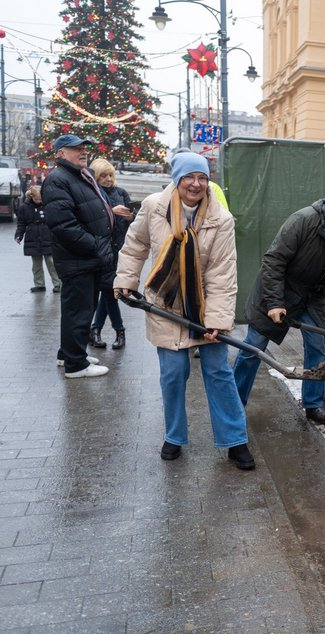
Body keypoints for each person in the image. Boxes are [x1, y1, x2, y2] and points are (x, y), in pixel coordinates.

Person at [114, 152, 255, 470]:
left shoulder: (221, 219)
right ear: (177, 179)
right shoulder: (154, 207)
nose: (196, 183)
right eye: (189, 177)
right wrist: (125, 279)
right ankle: (174, 436)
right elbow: (135, 244)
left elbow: (222, 273)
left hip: (205, 309)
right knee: (174, 374)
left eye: (202, 177)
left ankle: (235, 440)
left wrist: (217, 321)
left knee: (219, 373)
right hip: (164, 305)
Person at [232, 177, 325, 424]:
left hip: (313, 296)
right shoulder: (305, 220)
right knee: (254, 346)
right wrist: (274, 302)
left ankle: (313, 404)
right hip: (278, 289)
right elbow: (274, 261)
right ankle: (234, 403)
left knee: (316, 349)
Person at [42, 134, 115, 379]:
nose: (83, 151)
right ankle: (76, 365)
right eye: (76, 148)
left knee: (78, 310)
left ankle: (70, 354)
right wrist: (95, 245)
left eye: (84, 147)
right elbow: (63, 225)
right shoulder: (58, 179)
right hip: (79, 259)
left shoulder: (77, 175)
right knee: (79, 312)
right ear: (61, 153)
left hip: (85, 259)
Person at [88, 158, 133, 350]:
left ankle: (95, 330)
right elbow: (92, 220)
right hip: (102, 252)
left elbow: (134, 220)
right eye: (103, 176)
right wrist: (111, 212)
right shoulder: (93, 194)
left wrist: (131, 217)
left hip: (120, 251)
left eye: (110, 175)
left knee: (109, 292)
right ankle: (119, 331)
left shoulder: (120, 192)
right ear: (96, 177)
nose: (108, 179)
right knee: (110, 292)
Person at [15, 186, 62, 293]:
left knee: (51, 262)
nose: (39, 201)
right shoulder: (24, 208)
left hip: (47, 237)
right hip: (33, 238)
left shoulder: (48, 205)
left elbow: (55, 221)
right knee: (36, 264)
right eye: (37, 199)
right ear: (31, 197)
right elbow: (21, 224)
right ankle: (39, 284)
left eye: (41, 199)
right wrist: (19, 235)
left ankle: (58, 284)